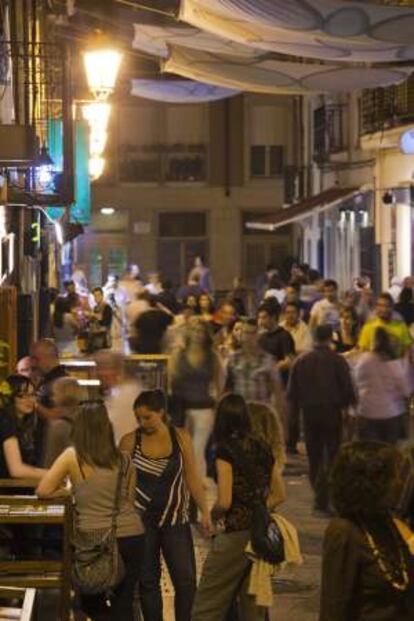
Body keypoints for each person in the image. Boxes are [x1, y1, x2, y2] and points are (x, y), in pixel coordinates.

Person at [36, 402, 145, 621]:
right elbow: (129, 502)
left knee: (89, 599)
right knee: (123, 604)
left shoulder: (72, 456)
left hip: (93, 540)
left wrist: (70, 491)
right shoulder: (125, 460)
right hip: (132, 537)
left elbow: (43, 490)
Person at [192, 394, 285, 621]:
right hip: (259, 536)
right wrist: (258, 511)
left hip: (235, 534)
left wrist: (214, 518)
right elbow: (279, 495)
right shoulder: (263, 447)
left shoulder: (225, 450)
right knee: (252, 606)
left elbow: (224, 501)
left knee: (207, 605)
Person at [119, 390, 210, 621]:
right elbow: (121, 484)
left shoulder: (180, 437)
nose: (142, 422)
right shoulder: (130, 441)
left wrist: (205, 511)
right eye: (138, 418)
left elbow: (192, 477)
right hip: (141, 522)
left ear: (161, 412)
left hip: (175, 519)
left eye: (147, 417)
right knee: (148, 581)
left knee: (186, 580)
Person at [320, 442, 414, 621]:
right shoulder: (345, 532)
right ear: (372, 483)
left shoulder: (390, 526)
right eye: (393, 476)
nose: (399, 482)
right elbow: (334, 608)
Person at [287, 325, 356, 513]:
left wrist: (292, 418)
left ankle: (320, 495)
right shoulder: (338, 361)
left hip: (309, 415)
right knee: (332, 455)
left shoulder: (301, 361)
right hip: (332, 413)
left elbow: (292, 394)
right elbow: (348, 390)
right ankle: (327, 495)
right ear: (330, 339)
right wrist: (348, 410)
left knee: (315, 457)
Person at [170, 320, 224, 479]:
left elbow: (218, 383)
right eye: (194, 330)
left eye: (201, 331)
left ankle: (197, 483)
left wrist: (219, 405)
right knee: (183, 448)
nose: (197, 334)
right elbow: (170, 382)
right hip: (181, 409)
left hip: (205, 407)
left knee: (198, 447)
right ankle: (184, 481)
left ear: (206, 334)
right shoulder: (178, 354)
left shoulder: (212, 356)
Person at [354, 328, 411, 445]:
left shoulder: (363, 360)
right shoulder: (394, 364)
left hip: (366, 411)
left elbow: (355, 382)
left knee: (368, 453)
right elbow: (406, 390)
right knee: (388, 453)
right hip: (390, 413)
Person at [225, 319, 287, 424]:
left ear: (258, 336)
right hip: (239, 414)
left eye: (253, 333)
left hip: (261, 415)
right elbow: (227, 388)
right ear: (241, 335)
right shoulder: (233, 359)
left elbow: (278, 393)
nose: (249, 337)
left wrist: (281, 421)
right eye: (246, 333)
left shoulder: (268, 360)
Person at [0, 375, 45, 482]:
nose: (30, 400)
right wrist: (56, 474)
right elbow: (16, 470)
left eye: (32, 395)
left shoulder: (27, 424)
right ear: (10, 398)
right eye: (22, 396)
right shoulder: (5, 422)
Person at [95, 351, 141, 445]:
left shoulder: (125, 395)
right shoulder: (122, 391)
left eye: (103, 368)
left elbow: (116, 430)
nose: (98, 374)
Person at [42, 377, 84, 467]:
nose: (52, 398)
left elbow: (51, 462)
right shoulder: (87, 420)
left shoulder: (59, 426)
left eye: (54, 393)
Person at [358, 292, 412, 358]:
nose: (383, 309)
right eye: (380, 305)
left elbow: (407, 348)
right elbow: (363, 351)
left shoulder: (401, 326)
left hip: (396, 366)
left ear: (392, 307)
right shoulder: (368, 326)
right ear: (376, 307)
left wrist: (404, 365)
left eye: (387, 306)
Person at [257, 299, 295, 385]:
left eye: (264, 317)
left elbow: (289, 361)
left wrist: (269, 369)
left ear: (273, 317)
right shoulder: (261, 338)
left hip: (280, 383)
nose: (260, 321)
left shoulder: (284, 336)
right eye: (259, 318)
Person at [31, 339, 68, 421]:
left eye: (36, 359)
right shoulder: (45, 380)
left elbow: (56, 416)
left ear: (49, 357)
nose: (33, 364)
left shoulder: (63, 383)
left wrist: (31, 402)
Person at [88, 287, 113, 351]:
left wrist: (95, 315)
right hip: (94, 338)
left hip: (103, 340)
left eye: (98, 295)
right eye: (95, 296)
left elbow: (107, 322)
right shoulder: (95, 308)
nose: (96, 297)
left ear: (102, 295)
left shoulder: (107, 307)